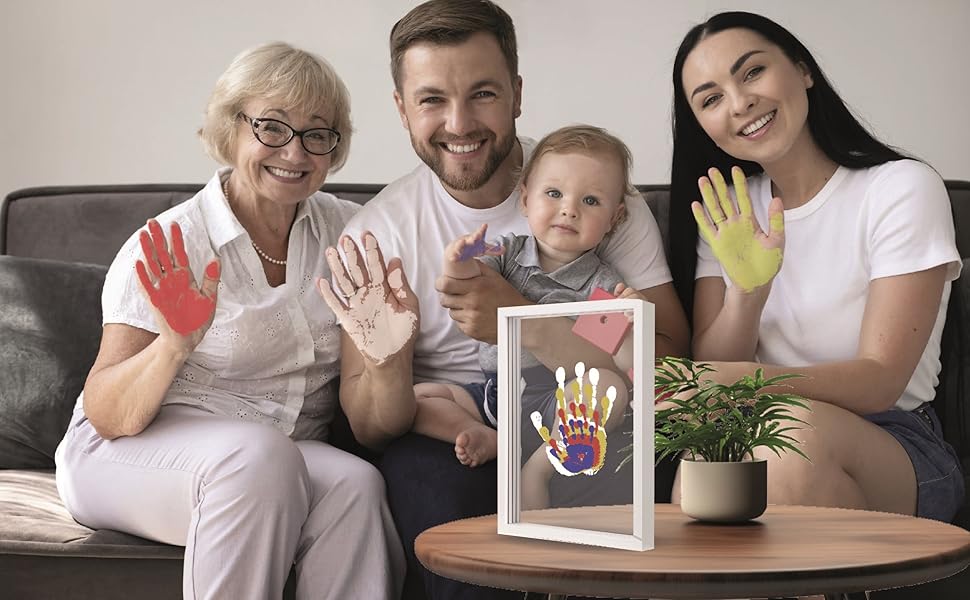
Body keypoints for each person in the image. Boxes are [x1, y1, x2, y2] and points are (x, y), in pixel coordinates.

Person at [317, 2, 689, 599]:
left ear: (517, 93)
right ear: (401, 108)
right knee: (449, 516)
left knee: (641, 489)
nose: (459, 123)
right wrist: (389, 357)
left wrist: (522, 320)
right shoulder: (381, 228)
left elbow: (669, 357)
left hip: (584, 407)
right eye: (432, 99)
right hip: (458, 430)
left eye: (482, 93)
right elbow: (371, 428)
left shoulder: (591, 188)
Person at [54, 42, 405, 600]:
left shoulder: (350, 233)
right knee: (258, 460)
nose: (294, 151)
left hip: (277, 454)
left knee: (355, 483)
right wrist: (172, 345)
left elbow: (373, 397)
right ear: (230, 127)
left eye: (317, 133)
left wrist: (386, 340)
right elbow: (107, 413)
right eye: (271, 127)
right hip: (129, 455)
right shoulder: (173, 242)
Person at [667, 11, 964, 522]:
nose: (740, 104)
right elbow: (712, 361)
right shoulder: (728, 209)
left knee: (787, 446)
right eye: (711, 99)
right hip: (757, 430)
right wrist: (747, 295)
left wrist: (746, 382)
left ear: (803, 70)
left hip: (894, 440)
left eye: (752, 72)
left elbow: (880, 381)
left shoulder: (899, 188)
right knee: (708, 465)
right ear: (703, 127)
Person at [410, 125, 643, 471]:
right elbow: (465, 288)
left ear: (615, 218)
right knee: (417, 399)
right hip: (494, 394)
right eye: (553, 193)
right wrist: (457, 259)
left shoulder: (602, 283)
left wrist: (630, 322)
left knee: (609, 390)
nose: (569, 210)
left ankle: (543, 460)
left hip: (559, 401)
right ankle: (482, 434)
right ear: (525, 199)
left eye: (590, 200)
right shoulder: (506, 253)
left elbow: (620, 364)